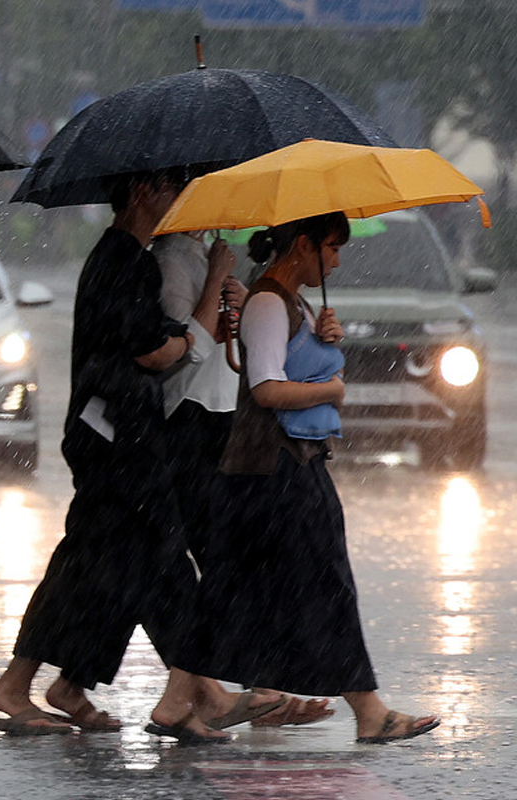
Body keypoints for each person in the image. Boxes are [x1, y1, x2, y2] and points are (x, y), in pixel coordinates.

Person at [0, 172, 275, 741]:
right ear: (143, 191)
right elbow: (157, 352)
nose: (178, 201)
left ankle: (66, 684)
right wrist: (207, 298)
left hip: (121, 435)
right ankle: (197, 692)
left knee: (106, 564)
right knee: (152, 555)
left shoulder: (127, 257)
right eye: (170, 189)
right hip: (115, 440)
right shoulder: (124, 260)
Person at [189, 212, 440, 744]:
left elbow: (293, 368)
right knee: (321, 582)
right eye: (329, 248)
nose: (336, 260)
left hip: (294, 461)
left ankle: (193, 698)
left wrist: (326, 342)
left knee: (252, 586)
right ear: (301, 245)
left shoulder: (293, 304)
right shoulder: (266, 303)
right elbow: (266, 390)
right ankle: (368, 712)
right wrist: (332, 388)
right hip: (274, 467)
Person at [153, 230, 335, 729]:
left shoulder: (222, 262)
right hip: (190, 418)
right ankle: (246, 689)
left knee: (235, 564)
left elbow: (236, 346)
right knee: (221, 564)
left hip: (221, 414)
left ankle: (259, 687)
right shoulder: (175, 261)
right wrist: (221, 288)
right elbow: (186, 342)